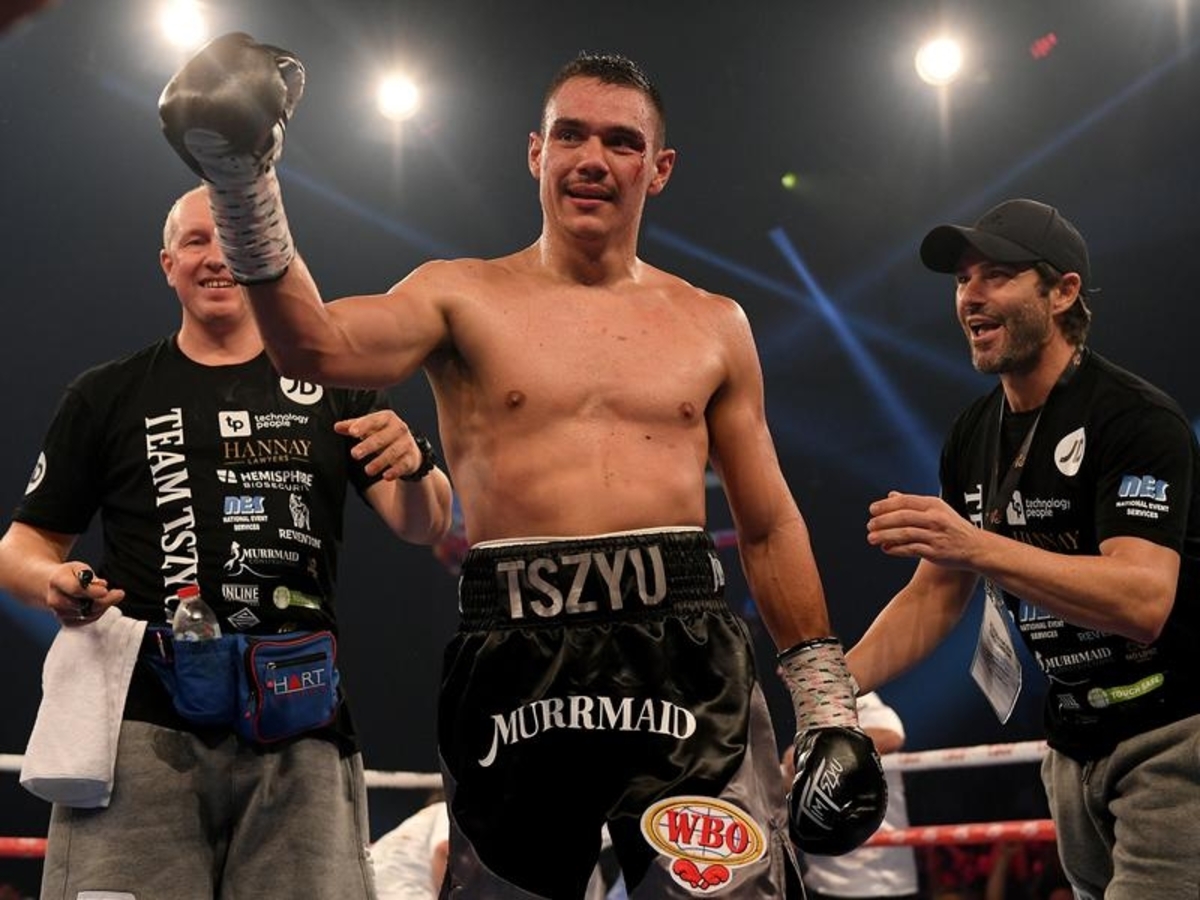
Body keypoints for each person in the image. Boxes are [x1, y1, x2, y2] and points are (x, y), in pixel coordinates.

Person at [156, 34, 888, 899]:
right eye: (571, 134)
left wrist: (827, 705)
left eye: (622, 141)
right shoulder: (456, 294)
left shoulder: (714, 323)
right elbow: (310, 347)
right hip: (514, 657)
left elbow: (766, 523)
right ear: (536, 153)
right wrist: (243, 183)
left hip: (686, 659)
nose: (592, 158)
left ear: (658, 169)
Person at [0, 184, 454, 899]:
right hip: (144, 719)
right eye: (195, 241)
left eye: (231, 238)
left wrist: (419, 464)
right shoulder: (108, 394)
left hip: (299, 719)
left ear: (265, 254)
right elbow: (21, 547)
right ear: (168, 265)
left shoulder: (335, 384)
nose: (216, 257)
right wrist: (51, 581)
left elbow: (423, 523)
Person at [846, 198, 1200, 900]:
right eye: (962, 280)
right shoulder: (973, 434)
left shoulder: (1135, 419)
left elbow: (1142, 599)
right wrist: (826, 692)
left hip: (1172, 731)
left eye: (997, 275)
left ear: (1063, 292)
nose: (970, 296)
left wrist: (978, 546)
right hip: (1069, 742)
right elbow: (933, 596)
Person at [799, 692, 919, 900]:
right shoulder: (810, 711)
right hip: (824, 876)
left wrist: (816, 750)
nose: (782, 675)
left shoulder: (849, 694)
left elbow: (892, 735)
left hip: (874, 879)